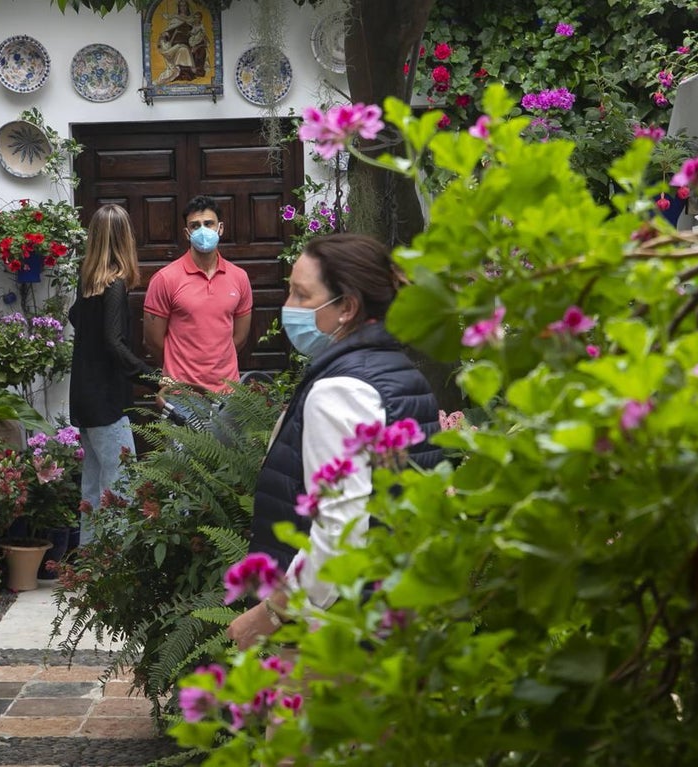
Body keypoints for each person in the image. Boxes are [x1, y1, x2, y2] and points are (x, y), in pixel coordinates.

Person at [226, 233, 443, 650]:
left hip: (336, 632)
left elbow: (342, 529)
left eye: (302, 295)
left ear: (346, 307)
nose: (288, 307)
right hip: (393, 613)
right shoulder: (398, 373)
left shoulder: (340, 390)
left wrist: (272, 613)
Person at [69, 204, 165, 545]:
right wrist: (153, 378)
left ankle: (91, 564)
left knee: (93, 486)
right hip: (107, 400)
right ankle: (116, 566)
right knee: (122, 486)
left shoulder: (88, 281)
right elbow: (114, 342)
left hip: (84, 396)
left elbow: (75, 317)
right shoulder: (115, 285)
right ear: (126, 238)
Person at [144, 195, 253, 394]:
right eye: (195, 226)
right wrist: (177, 369)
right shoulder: (165, 279)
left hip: (228, 392)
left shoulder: (239, 277)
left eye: (208, 223)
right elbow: (153, 341)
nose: (202, 230)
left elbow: (240, 337)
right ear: (187, 233)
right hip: (181, 394)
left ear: (220, 228)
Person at [155, 0, 208, 84]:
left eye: (184, 6)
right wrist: (165, 34)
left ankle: (189, 72)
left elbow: (198, 32)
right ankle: (184, 70)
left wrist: (196, 44)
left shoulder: (192, 19)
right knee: (183, 49)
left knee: (193, 49)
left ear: (187, 7)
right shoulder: (175, 19)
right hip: (176, 43)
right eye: (181, 6)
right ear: (179, 8)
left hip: (189, 43)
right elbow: (169, 31)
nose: (183, 8)